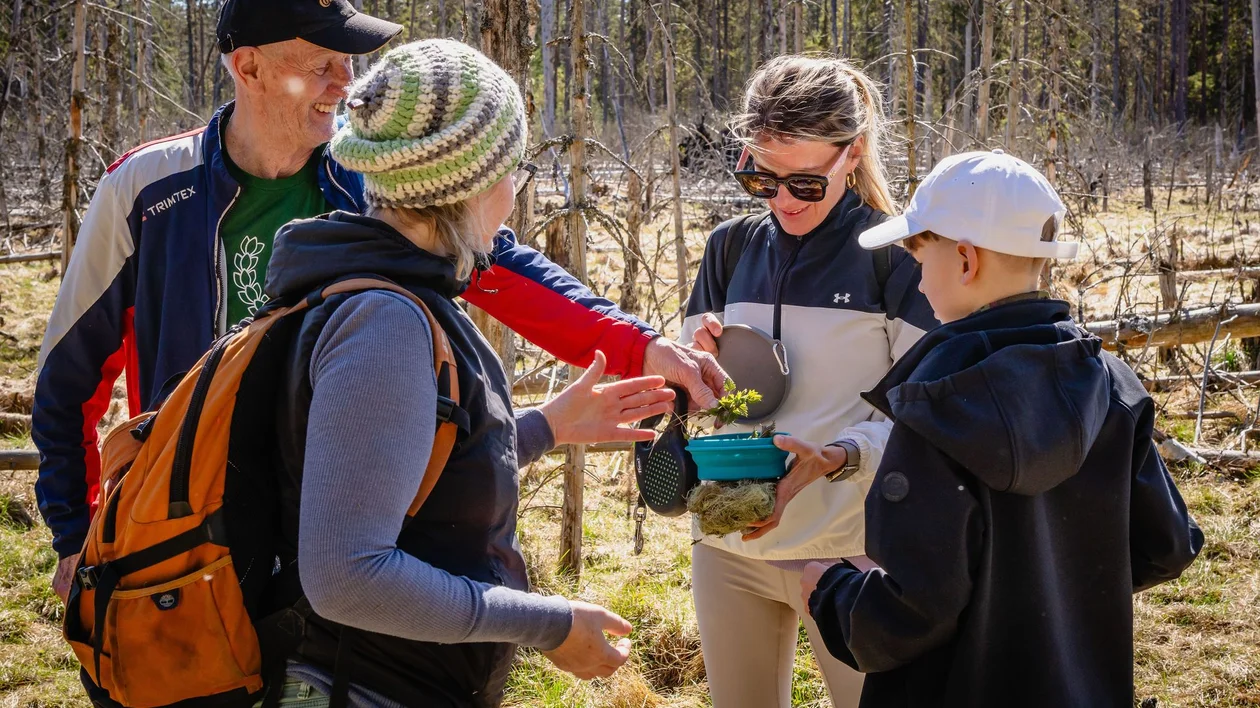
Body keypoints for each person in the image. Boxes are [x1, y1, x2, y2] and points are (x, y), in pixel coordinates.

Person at [33, 0, 722, 605]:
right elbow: (68, 379)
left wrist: (643, 345)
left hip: (332, 529)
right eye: (323, 63)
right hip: (186, 526)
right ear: (248, 68)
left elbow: (497, 261)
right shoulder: (148, 190)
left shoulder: (366, 178)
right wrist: (75, 531)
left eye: (350, 62)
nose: (346, 84)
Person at [260, 39, 666, 706]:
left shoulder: (388, 295)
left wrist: (541, 429)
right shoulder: (384, 322)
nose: (515, 190)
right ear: (471, 184)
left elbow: (406, 466)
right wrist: (550, 624)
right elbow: (347, 576)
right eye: (512, 168)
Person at [800, 150, 1205, 707]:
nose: (917, 286)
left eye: (921, 263)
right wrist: (1061, 583)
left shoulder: (936, 402)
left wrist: (831, 593)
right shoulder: (1113, 386)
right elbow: (1169, 545)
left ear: (965, 260)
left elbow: (913, 610)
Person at [679, 55, 937, 708]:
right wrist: (693, 365)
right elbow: (703, 400)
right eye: (762, 180)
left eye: (806, 185)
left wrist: (839, 458)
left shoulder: (899, 260)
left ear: (851, 155)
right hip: (728, 545)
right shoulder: (729, 248)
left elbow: (923, 417)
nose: (783, 202)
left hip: (855, 555)